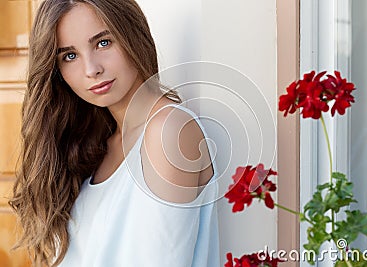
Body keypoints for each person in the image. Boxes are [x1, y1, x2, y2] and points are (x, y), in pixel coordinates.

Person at [9, 0, 220, 266]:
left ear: (131, 33)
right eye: (69, 56)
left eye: (103, 42)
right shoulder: (97, 141)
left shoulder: (168, 131)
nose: (91, 69)